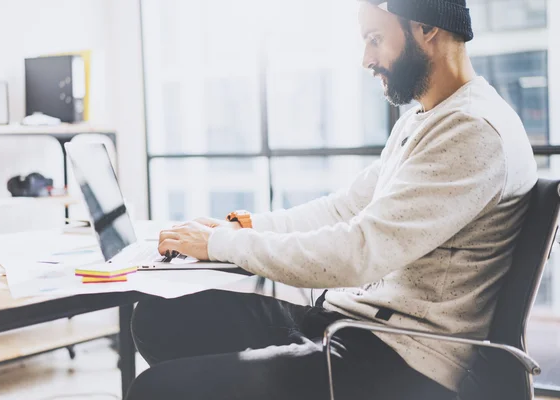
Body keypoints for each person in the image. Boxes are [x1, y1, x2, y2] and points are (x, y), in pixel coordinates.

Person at [126, 1, 538, 399]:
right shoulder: (428, 118)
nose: (366, 58)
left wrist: (220, 245)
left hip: (395, 361)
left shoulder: (472, 130)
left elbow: (359, 252)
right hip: (351, 324)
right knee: (162, 317)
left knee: (155, 390)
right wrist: (244, 228)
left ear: (426, 27)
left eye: (375, 39)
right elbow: (344, 208)